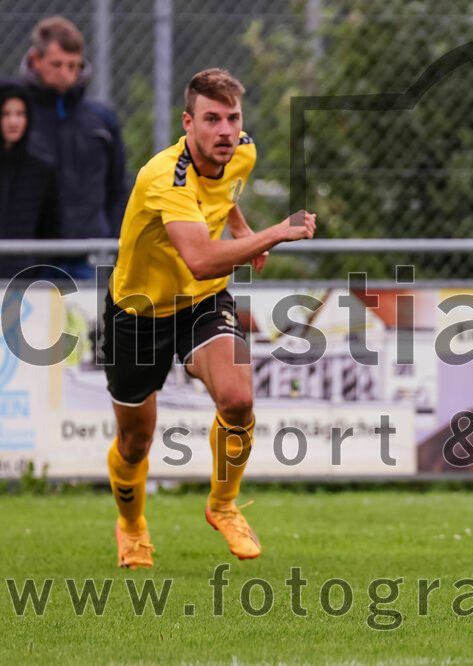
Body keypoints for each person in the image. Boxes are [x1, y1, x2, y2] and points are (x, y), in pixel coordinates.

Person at [103, 68, 317, 568]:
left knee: (239, 400)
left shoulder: (241, 150)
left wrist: (240, 225)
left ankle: (222, 505)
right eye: (212, 119)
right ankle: (132, 527)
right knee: (136, 441)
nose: (225, 130)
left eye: (233, 118)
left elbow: (228, 198)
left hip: (202, 300)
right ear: (188, 122)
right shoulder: (166, 177)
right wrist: (270, 236)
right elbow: (200, 256)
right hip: (139, 312)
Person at [18, 15, 128, 279]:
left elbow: (118, 189)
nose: (66, 73)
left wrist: (112, 239)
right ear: (36, 60)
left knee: (91, 322)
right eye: (57, 64)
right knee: (21, 322)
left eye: (73, 65)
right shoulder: (16, 116)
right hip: (28, 258)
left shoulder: (101, 119)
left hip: (91, 258)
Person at [0, 83, 59, 279]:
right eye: (6, 114)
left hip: (24, 280)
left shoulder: (40, 170)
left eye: (20, 114)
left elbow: (51, 227)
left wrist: (34, 267)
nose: (13, 121)